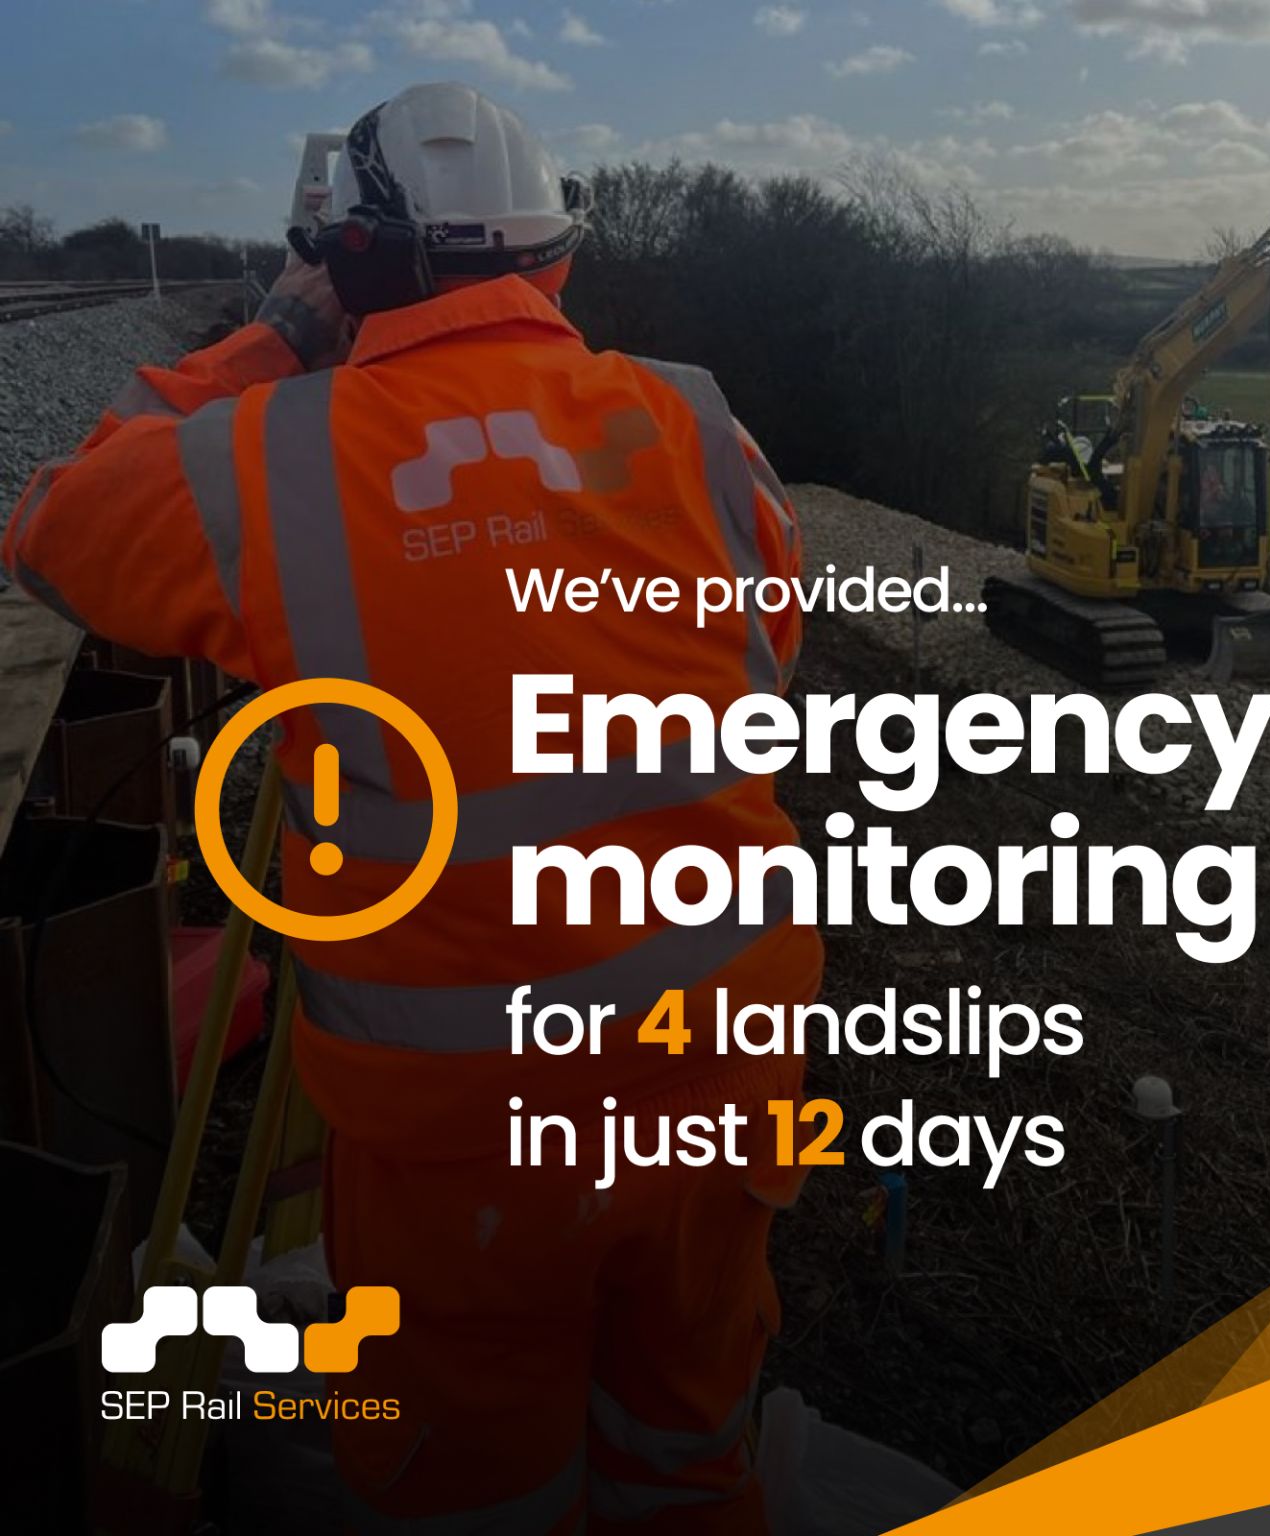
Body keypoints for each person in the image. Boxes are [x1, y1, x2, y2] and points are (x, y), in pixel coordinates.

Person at [4, 82, 822, 1534]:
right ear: (555, 259)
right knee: (683, 1455)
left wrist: (277, 336)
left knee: (469, 1487)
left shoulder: (276, 457)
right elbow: (769, 636)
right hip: (724, 1081)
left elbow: (52, 532)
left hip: (470, 1145)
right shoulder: (698, 426)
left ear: (355, 268)